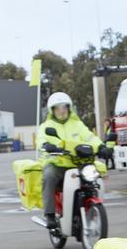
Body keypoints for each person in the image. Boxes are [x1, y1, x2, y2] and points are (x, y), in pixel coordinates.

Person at [36, 92, 102, 230]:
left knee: (94, 177)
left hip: (78, 163)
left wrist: (101, 146)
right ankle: (50, 214)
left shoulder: (77, 124)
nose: (61, 110)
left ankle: (92, 206)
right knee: (49, 176)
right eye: (58, 107)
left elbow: (90, 137)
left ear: (69, 108)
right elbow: (41, 140)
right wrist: (46, 145)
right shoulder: (46, 126)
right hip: (58, 163)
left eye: (64, 106)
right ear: (52, 110)